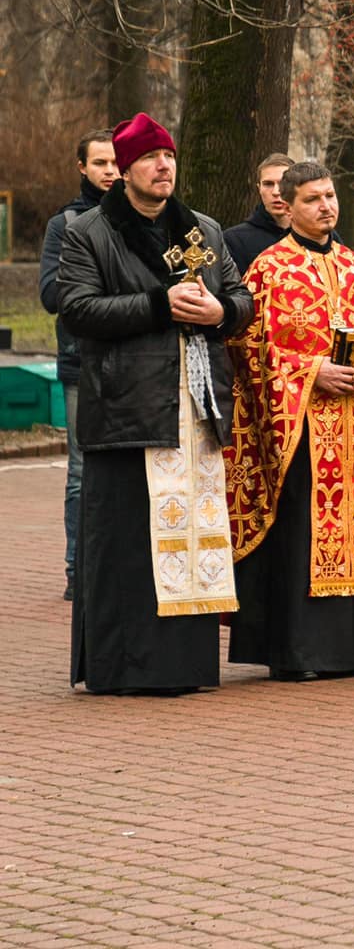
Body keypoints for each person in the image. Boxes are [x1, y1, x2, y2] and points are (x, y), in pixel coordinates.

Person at [59, 113, 255, 694]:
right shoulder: (89, 231)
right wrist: (155, 303)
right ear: (123, 171)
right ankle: (124, 667)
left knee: (193, 536)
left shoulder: (203, 229)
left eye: (168, 155)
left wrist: (225, 314)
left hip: (196, 409)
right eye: (149, 158)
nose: (163, 166)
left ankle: (186, 665)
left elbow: (240, 295)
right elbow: (76, 310)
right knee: (128, 542)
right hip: (126, 408)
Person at [223, 161, 354, 680]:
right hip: (300, 428)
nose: (326, 206)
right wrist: (312, 372)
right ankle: (300, 653)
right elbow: (248, 349)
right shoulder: (267, 270)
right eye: (313, 199)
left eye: (330, 195)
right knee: (303, 532)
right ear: (288, 206)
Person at [40, 127, 117, 601]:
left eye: (115, 163)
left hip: (136, 365)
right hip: (80, 364)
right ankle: (78, 569)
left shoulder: (140, 218)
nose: (110, 172)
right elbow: (51, 295)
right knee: (81, 473)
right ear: (82, 168)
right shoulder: (65, 223)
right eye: (100, 164)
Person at [222, 153, 296, 270]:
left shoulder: (319, 236)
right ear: (259, 188)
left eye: (283, 183)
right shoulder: (234, 240)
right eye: (268, 184)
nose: (276, 192)